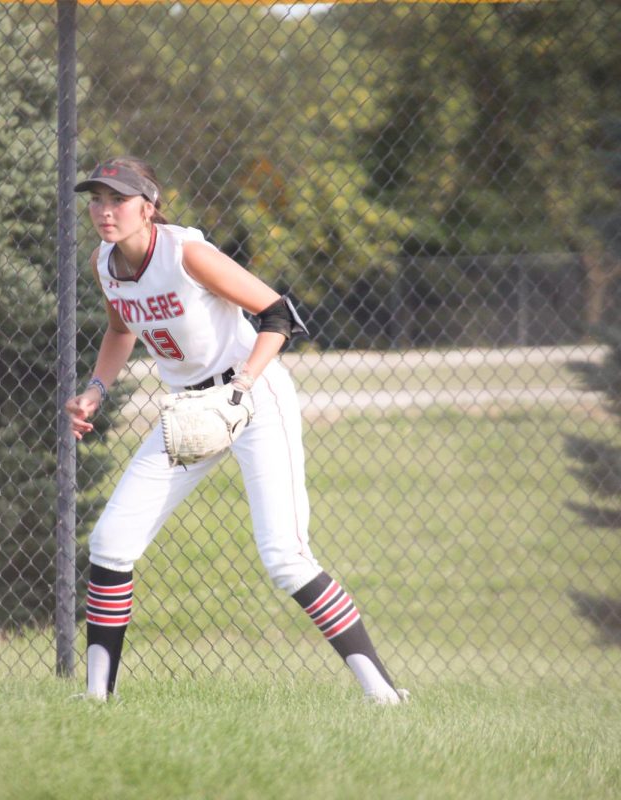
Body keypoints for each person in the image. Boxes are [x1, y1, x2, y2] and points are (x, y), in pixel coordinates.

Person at [65, 156, 408, 705]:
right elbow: (118, 329)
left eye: (118, 200)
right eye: (97, 199)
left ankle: (383, 692)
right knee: (110, 543)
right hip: (190, 412)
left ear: (148, 207)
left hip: (254, 398)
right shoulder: (104, 262)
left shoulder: (186, 254)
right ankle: (95, 700)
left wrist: (242, 387)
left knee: (285, 557)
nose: (104, 211)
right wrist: (96, 391)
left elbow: (279, 314)